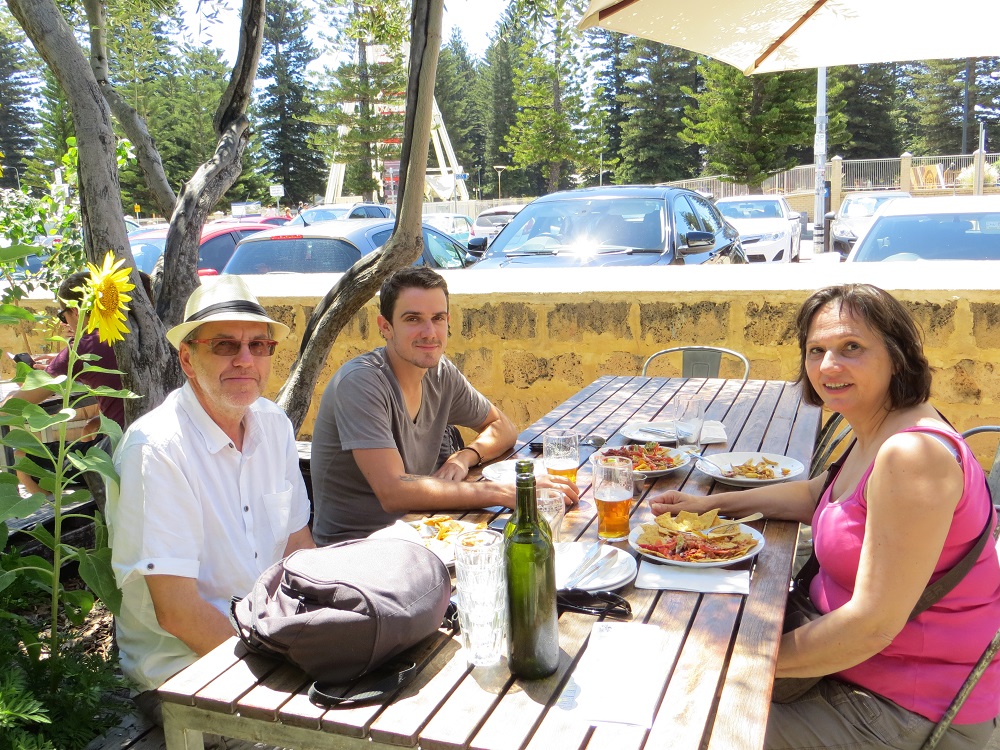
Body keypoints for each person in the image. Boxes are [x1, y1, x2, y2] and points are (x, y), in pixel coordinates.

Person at [650, 283, 1000, 750]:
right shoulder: (883, 425)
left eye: (851, 347)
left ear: (897, 355)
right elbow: (821, 495)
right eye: (817, 351)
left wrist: (741, 658)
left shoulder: (912, 454)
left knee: (680, 723)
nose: (829, 366)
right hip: (846, 670)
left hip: (903, 707)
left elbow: (871, 627)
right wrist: (711, 505)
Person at [106, 275, 314, 718]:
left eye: (259, 346)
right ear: (187, 358)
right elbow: (178, 614)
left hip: (271, 641)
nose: (245, 360)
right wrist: (283, 672)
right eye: (224, 345)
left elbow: (300, 551)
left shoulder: (273, 425)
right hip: (187, 673)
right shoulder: (158, 449)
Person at [310, 266, 578, 545]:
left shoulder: (440, 374)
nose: (429, 332)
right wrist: (503, 492)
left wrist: (464, 457)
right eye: (413, 319)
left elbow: (503, 427)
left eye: (437, 318)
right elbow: (394, 491)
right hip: (355, 551)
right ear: (385, 326)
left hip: (424, 532)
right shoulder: (361, 382)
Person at [1, 271, 128, 495]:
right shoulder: (126, 333)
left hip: (117, 452)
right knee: (89, 429)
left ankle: (54, 515)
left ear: (75, 311)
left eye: (63, 316)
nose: (65, 322)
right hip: (133, 436)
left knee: (23, 457)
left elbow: (21, 403)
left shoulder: (82, 346)